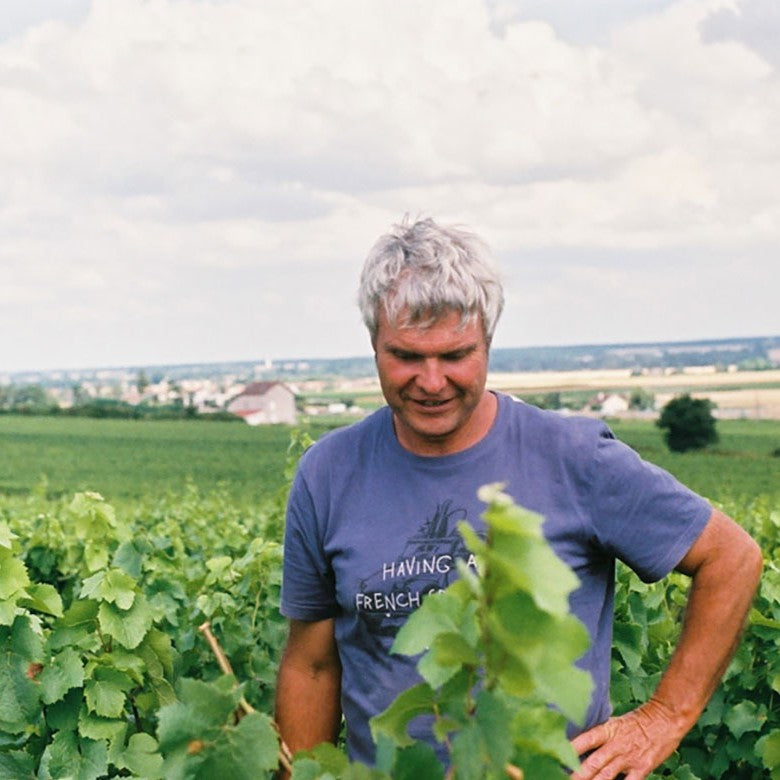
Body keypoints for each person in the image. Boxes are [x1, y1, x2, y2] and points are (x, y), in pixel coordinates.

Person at [275, 217, 762, 779]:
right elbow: (311, 665)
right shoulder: (329, 473)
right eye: (406, 356)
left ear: (488, 342)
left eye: (455, 355)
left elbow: (731, 557)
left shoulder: (573, 457)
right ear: (372, 345)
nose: (431, 382)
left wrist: (663, 717)